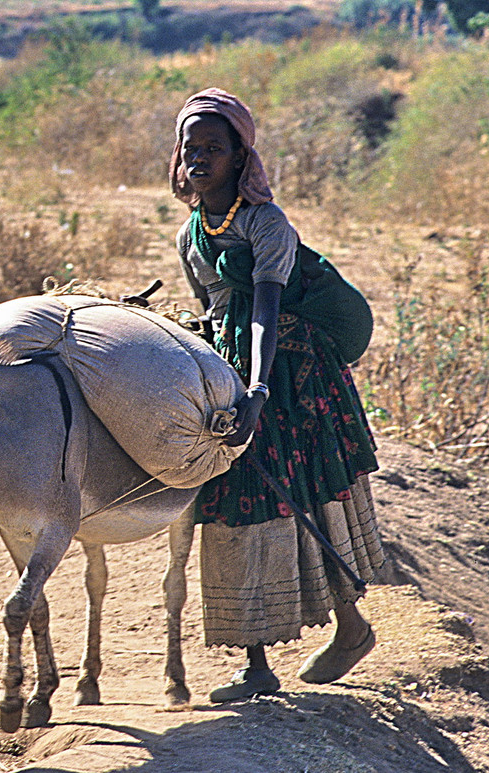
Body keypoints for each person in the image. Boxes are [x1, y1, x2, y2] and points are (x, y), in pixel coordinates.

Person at [169, 88, 384, 703]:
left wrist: (257, 390)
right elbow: (213, 313)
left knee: (305, 495)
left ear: (241, 156)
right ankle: (257, 664)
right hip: (243, 373)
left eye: (215, 147)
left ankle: (349, 627)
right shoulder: (193, 233)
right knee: (239, 502)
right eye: (192, 148)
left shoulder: (267, 224)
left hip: (294, 378)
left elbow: (263, 308)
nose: (200, 158)